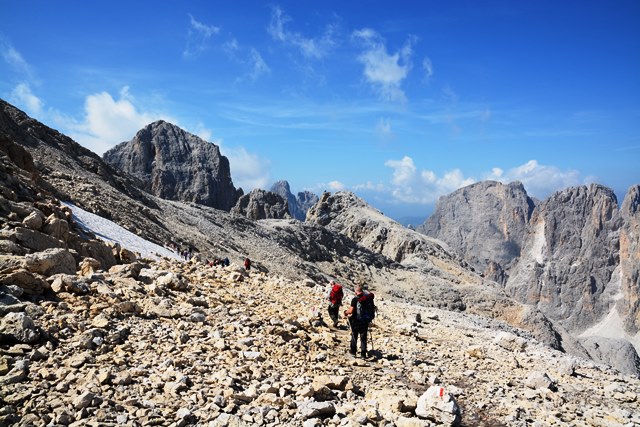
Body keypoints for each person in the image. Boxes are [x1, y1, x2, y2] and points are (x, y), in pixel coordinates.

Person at [343, 284, 374, 358]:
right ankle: (363, 354)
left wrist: (345, 312)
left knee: (354, 336)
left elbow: (351, 311)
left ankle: (353, 352)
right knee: (363, 338)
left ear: (356, 291)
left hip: (356, 321)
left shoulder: (355, 299)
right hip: (365, 321)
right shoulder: (367, 299)